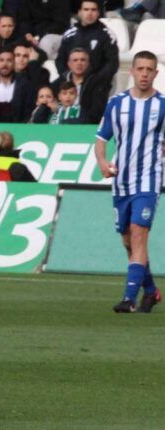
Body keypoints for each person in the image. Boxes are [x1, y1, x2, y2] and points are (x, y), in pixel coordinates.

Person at [95, 50, 165, 314]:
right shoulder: (117, 103)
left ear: (156, 73)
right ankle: (150, 291)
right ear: (132, 71)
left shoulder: (163, 105)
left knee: (138, 233)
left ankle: (128, 298)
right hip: (121, 181)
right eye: (140, 69)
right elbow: (101, 140)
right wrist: (102, 162)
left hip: (148, 180)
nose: (145, 74)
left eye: (150, 69)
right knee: (128, 240)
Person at [55, 0, 118, 84]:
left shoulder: (107, 35)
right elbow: (60, 60)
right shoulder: (69, 34)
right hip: (70, 83)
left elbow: (112, 64)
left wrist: (94, 80)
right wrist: (69, 77)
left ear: (98, 13)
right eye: (86, 9)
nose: (89, 13)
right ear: (79, 12)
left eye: (93, 10)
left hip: (96, 84)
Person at [50, 47, 110, 124]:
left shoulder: (98, 83)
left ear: (88, 63)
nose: (79, 63)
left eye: (83, 60)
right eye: (75, 60)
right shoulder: (59, 83)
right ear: (69, 64)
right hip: (59, 122)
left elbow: (97, 111)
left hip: (85, 125)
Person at [0, 46, 35, 123]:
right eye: (1, 60)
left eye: (9, 60)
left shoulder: (25, 84)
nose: (5, 64)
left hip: (19, 129)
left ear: (14, 63)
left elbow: (28, 111)